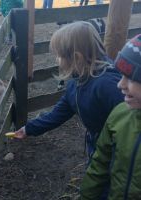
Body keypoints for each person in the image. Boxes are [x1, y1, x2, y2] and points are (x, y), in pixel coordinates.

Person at [14, 21, 124, 162]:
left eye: (59, 56)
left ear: (77, 57)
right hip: (97, 144)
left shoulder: (108, 85)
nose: (57, 60)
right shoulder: (76, 82)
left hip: (117, 151)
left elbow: (131, 122)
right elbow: (58, 114)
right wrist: (29, 129)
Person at [80, 34, 141, 199]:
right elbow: (99, 165)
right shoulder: (120, 114)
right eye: (121, 76)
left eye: (130, 78)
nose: (120, 84)